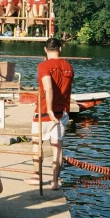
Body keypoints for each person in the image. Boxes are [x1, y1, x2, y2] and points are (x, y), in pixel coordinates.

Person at [30, 37, 74, 191]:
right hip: (61, 113)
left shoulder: (44, 66)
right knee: (57, 148)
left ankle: (37, 176)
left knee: (37, 144)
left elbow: (48, 87)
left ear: (45, 49)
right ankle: (55, 181)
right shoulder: (68, 66)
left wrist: (48, 109)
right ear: (60, 49)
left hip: (43, 113)